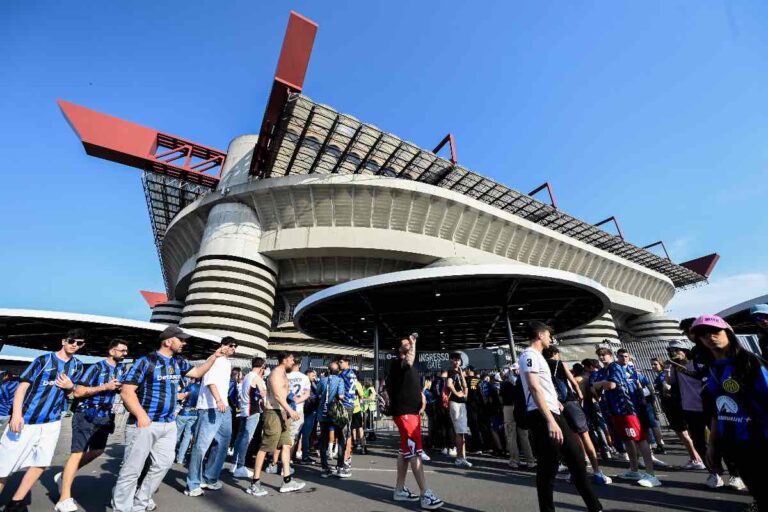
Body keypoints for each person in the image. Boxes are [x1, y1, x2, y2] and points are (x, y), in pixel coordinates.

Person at [111, 326, 226, 512]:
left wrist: (214, 356)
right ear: (168, 341)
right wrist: (141, 415)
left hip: (168, 424)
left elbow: (196, 373)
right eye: (181, 339)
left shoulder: (178, 361)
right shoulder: (146, 361)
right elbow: (127, 391)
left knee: (163, 464)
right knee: (132, 469)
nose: (184, 343)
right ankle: (121, 508)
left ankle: (140, 503)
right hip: (145, 423)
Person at [519, 322, 602, 512]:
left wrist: (555, 400)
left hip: (553, 411)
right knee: (549, 467)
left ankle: (595, 507)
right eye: (548, 335)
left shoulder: (538, 357)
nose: (550, 338)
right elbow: (533, 387)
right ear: (540, 335)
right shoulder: (529, 356)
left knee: (576, 459)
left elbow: (543, 387)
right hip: (542, 416)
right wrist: (549, 420)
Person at [0, 328, 86, 512]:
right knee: (3, 466)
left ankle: (15, 503)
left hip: (52, 422)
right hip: (26, 420)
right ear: (64, 341)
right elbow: (21, 388)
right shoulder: (43, 361)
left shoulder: (77, 366)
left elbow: (74, 393)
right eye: (72, 340)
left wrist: (71, 387)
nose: (74, 345)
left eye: (79, 343)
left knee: (41, 463)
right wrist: (16, 415)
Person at [694, 314, 768, 510]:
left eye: (715, 331)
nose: (709, 336)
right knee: (754, 485)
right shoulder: (710, 371)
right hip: (734, 441)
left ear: (728, 332)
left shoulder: (750, 362)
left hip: (760, 437)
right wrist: (712, 446)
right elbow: (717, 411)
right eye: (703, 334)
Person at [54, 339, 129, 512]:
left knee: (98, 451)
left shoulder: (121, 370)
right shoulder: (96, 368)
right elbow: (78, 391)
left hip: (106, 415)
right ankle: (63, 499)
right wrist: (105, 387)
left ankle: (64, 475)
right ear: (111, 351)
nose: (125, 354)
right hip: (87, 414)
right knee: (77, 453)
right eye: (122, 350)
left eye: (126, 351)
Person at [386, 334, 444, 510]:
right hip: (405, 414)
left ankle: (399, 490)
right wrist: (414, 343)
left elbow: (411, 385)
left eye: (409, 343)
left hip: (411, 413)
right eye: (405, 343)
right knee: (414, 452)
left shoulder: (407, 366)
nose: (408, 345)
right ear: (399, 349)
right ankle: (425, 493)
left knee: (405, 451)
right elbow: (409, 360)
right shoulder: (398, 363)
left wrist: (420, 397)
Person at [592, 347, 660, 487]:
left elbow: (611, 385)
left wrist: (599, 384)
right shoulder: (603, 371)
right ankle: (634, 469)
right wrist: (598, 385)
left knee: (639, 439)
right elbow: (595, 389)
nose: (602, 357)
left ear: (611, 355)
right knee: (627, 439)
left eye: (604, 354)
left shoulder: (615, 367)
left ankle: (651, 474)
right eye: (600, 355)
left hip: (626, 408)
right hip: (614, 409)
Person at [543, 346, 611, 485]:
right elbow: (573, 382)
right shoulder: (560, 364)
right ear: (555, 353)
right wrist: (579, 394)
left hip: (555, 405)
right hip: (569, 401)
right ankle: (597, 471)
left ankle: (576, 472)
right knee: (584, 435)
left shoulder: (541, 365)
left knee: (570, 439)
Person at [246, 352, 305, 498]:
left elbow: (285, 395)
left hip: (282, 414)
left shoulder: (284, 373)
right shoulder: (275, 374)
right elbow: (278, 396)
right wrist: (290, 410)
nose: (293, 361)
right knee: (266, 447)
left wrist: (288, 409)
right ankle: (255, 483)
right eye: (291, 359)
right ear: (284, 360)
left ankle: (287, 481)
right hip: (273, 414)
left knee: (286, 445)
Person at [185, 336, 238, 496]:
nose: (232, 348)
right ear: (222, 345)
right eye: (230, 345)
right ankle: (193, 483)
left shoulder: (227, 363)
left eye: (235, 346)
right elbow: (209, 381)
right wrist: (219, 400)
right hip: (210, 407)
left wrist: (224, 403)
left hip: (224, 408)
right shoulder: (214, 359)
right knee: (201, 446)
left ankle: (210, 478)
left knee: (222, 444)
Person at [231, 357, 266, 478]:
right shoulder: (257, 378)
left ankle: (235, 464)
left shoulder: (247, 376)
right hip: (253, 410)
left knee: (240, 437)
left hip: (244, 410)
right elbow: (264, 394)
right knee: (246, 439)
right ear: (262, 367)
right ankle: (240, 466)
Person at [316, 362, 345, 478]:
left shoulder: (322, 380)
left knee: (323, 439)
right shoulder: (339, 380)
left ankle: (324, 467)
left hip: (322, 413)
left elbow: (317, 393)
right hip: (335, 414)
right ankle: (340, 467)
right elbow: (341, 396)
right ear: (338, 370)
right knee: (340, 438)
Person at [446, 353, 472, 468]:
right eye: (454, 360)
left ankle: (462, 457)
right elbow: (449, 384)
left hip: (461, 403)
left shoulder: (459, 372)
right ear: (452, 361)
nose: (456, 362)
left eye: (458, 360)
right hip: (455, 402)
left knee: (462, 432)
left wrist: (464, 394)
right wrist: (458, 394)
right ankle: (459, 458)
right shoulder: (451, 372)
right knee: (459, 431)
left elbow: (465, 386)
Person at [338, 356, 359, 471]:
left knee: (343, 434)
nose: (339, 364)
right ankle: (347, 457)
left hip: (345, 405)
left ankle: (345, 459)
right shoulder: (353, 374)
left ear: (347, 362)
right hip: (351, 404)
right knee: (348, 432)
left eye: (341, 362)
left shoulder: (343, 374)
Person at [175, 377, 201, 465]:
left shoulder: (189, 386)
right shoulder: (202, 388)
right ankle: (180, 458)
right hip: (195, 413)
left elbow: (179, 396)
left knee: (176, 435)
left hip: (184, 412)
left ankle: (169, 454)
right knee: (187, 437)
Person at [298, 369, 319, 463]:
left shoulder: (313, 384)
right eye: (312, 375)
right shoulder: (307, 384)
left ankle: (300, 454)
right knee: (304, 434)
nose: (314, 377)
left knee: (304, 434)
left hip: (309, 411)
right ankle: (305, 456)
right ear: (307, 375)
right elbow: (315, 396)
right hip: (307, 411)